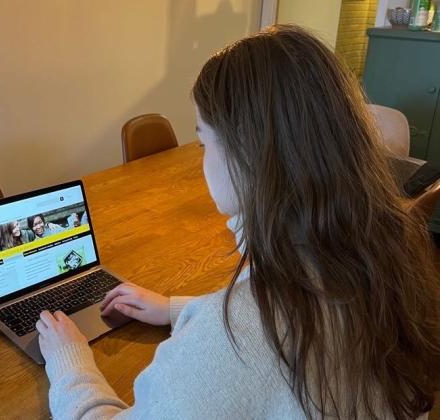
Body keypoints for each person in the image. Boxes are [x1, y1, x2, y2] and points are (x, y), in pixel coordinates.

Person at [35, 25, 440, 419]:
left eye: (203, 143)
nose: (202, 160)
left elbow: (250, 340)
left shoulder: (235, 339)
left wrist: (68, 359)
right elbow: (292, 316)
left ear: (248, 152)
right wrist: (179, 309)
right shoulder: (376, 258)